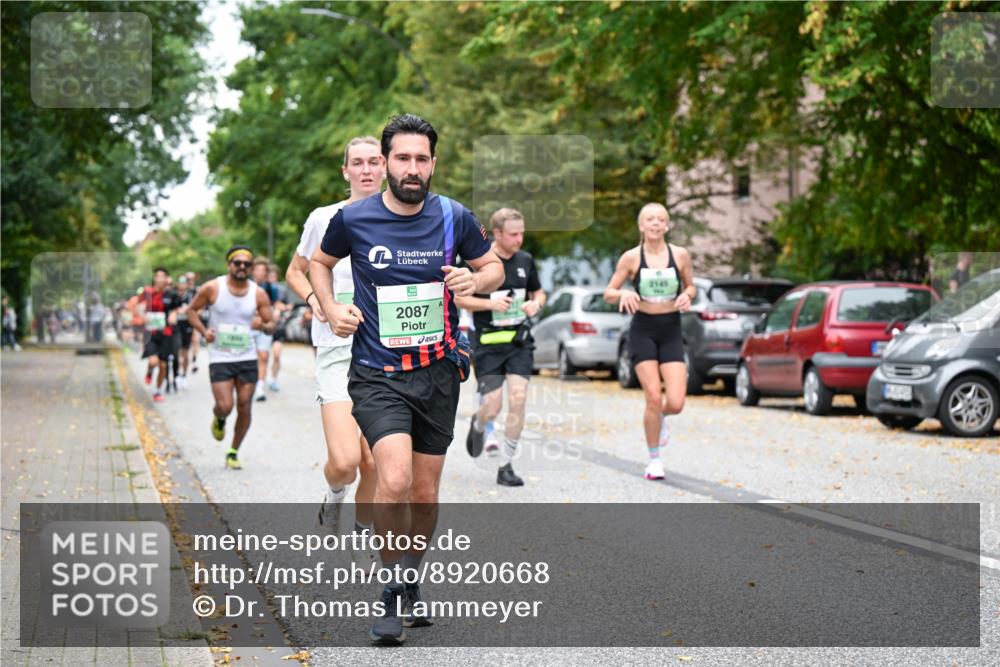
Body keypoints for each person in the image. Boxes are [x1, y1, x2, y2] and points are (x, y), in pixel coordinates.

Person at [309, 114, 503, 645]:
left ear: (433, 164)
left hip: (438, 374)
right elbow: (318, 265)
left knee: (423, 491)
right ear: (387, 163)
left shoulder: (454, 216)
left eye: (422, 159)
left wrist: (475, 276)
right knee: (392, 480)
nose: (412, 168)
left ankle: (411, 574)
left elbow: (493, 269)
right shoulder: (355, 219)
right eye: (402, 158)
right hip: (376, 375)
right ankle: (392, 590)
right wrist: (329, 308)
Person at [286, 135, 384, 543]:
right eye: (357, 163)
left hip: (384, 354)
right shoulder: (323, 218)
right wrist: (318, 303)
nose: (366, 169)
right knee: (346, 462)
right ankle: (333, 495)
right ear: (346, 171)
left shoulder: (405, 220)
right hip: (336, 349)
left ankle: (362, 533)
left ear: (386, 167)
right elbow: (296, 270)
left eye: (373, 161)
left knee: (376, 462)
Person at [604, 203, 696, 481]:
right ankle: (654, 459)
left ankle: (662, 417)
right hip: (643, 329)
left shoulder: (679, 255)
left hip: (671, 329)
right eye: (649, 219)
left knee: (676, 402)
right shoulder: (631, 258)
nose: (655, 223)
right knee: (653, 397)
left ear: (667, 226)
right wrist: (622, 296)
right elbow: (609, 291)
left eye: (661, 219)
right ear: (641, 226)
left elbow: (690, 285)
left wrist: (688, 295)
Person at [458, 207, 546, 487]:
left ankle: (506, 464)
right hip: (487, 344)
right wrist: (489, 304)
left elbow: (538, 291)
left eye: (522, 233)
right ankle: (479, 424)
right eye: (513, 234)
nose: (519, 239)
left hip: (519, 342)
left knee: (518, 399)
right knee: (493, 407)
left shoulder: (526, 260)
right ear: (497, 234)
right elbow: (458, 299)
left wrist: (537, 303)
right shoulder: (478, 261)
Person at [187, 245, 276, 470]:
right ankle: (219, 417)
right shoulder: (212, 288)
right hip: (220, 356)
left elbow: (271, 324)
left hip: (247, 355)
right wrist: (203, 332)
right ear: (229, 265)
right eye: (238, 263)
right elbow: (191, 311)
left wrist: (263, 325)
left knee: (245, 405)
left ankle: (233, 451)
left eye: (247, 264)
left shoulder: (258, 293)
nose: (242, 267)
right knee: (225, 405)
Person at [134, 268, 181, 402]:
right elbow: (136, 305)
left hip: (166, 333)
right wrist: (143, 316)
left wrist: (174, 314)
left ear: (166, 279)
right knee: (153, 361)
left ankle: (157, 391)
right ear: (154, 278)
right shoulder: (147, 292)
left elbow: (178, 307)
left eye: (163, 276)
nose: (160, 279)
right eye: (157, 276)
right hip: (150, 333)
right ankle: (149, 370)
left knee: (163, 365)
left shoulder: (171, 293)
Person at [251, 258, 278, 401]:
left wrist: (273, 314)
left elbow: (274, 305)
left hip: (265, 325)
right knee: (251, 357)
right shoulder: (247, 286)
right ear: (253, 271)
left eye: (263, 270)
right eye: (258, 270)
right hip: (249, 327)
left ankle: (260, 387)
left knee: (263, 355)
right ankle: (251, 383)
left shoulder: (271, 288)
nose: (260, 273)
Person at [266, 264, 290, 392]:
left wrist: (283, 307)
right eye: (269, 275)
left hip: (278, 327)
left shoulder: (282, 290)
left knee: (276, 355)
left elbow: (289, 305)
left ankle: (274, 379)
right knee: (262, 356)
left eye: (273, 275)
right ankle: (260, 380)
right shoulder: (261, 289)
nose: (271, 277)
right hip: (264, 327)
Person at [173, 274, 197, 389]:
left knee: (185, 352)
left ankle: (184, 375)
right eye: (180, 282)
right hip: (176, 326)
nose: (182, 285)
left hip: (187, 326)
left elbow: (194, 309)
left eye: (184, 283)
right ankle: (176, 374)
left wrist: (186, 310)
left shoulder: (191, 296)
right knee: (177, 351)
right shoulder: (174, 295)